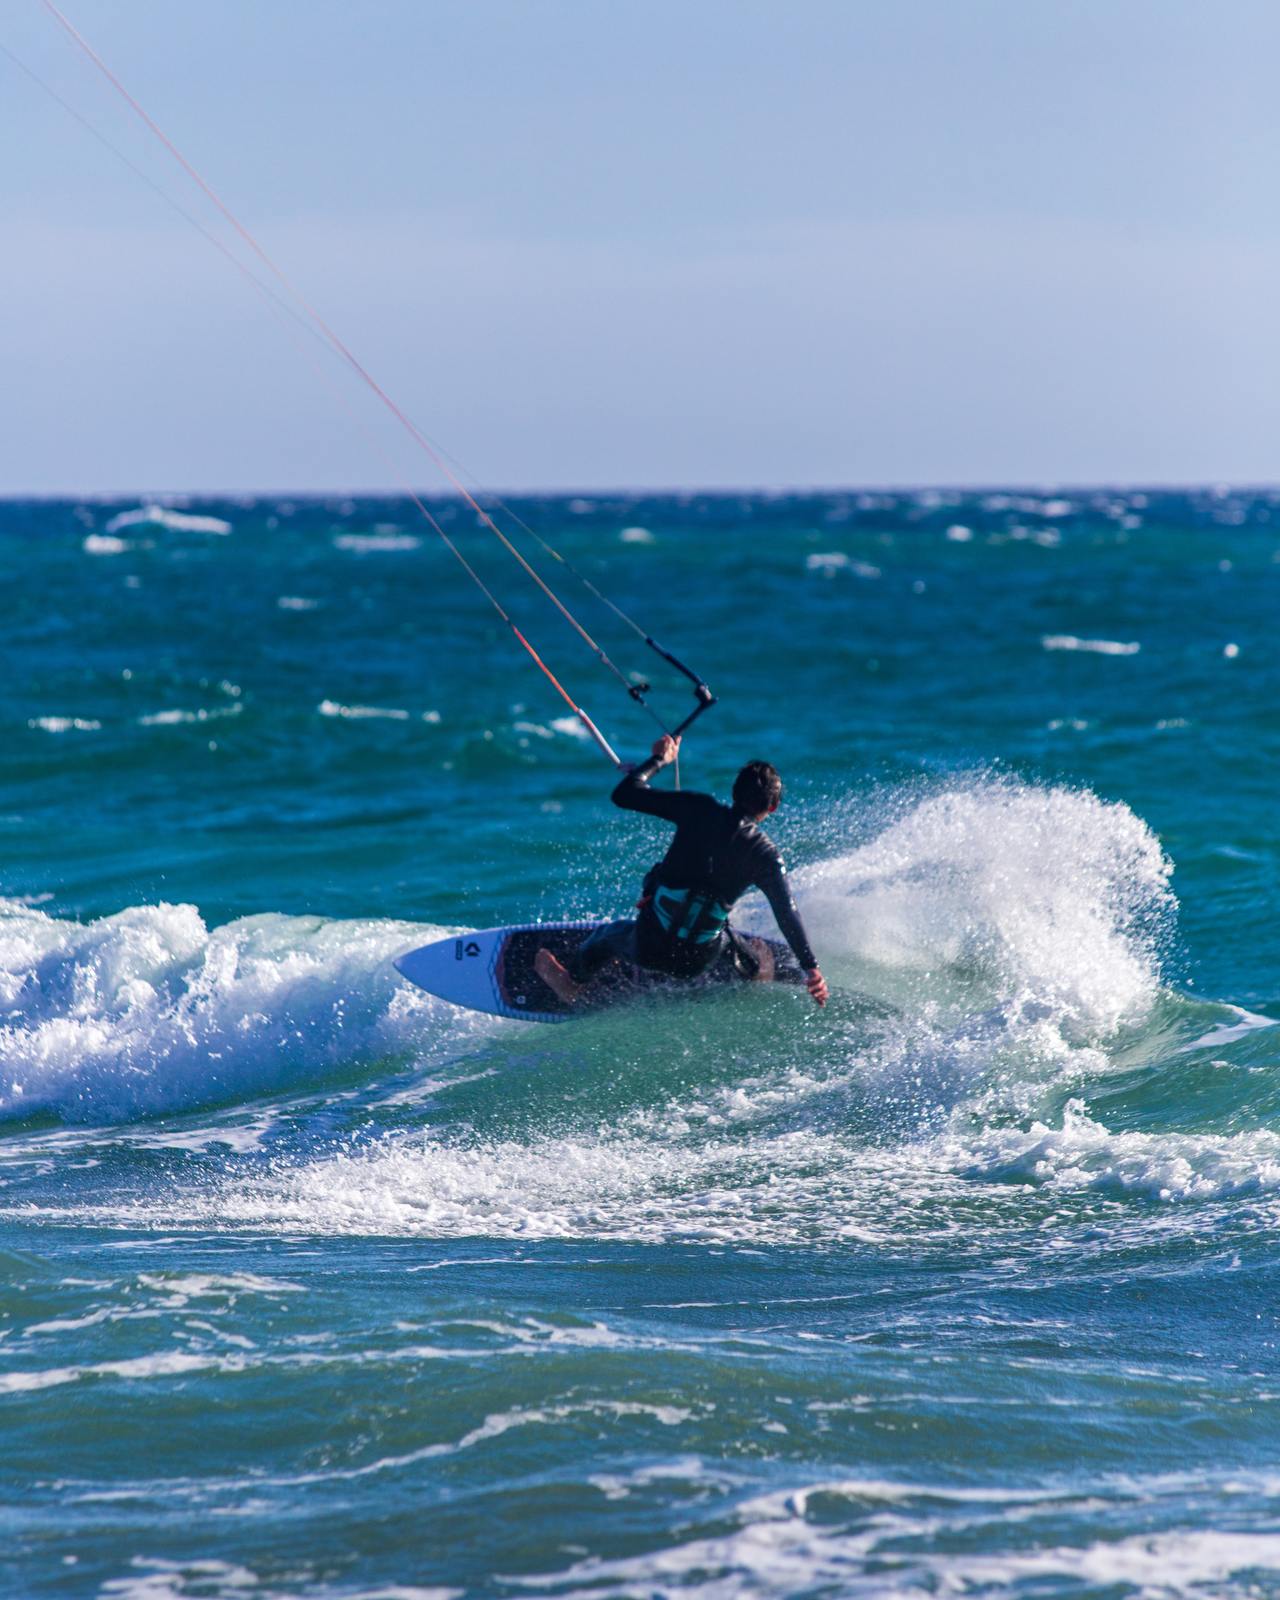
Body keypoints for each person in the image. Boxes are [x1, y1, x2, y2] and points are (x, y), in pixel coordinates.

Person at [535, 734, 828, 1008]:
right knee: (723, 933)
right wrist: (811, 968)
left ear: (734, 791)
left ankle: (571, 983)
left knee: (607, 935)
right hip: (699, 960)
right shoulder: (766, 855)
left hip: (647, 947)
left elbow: (624, 794)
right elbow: (787, 912)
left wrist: (660, 760)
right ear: (773, 807)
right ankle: (755, 971)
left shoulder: (699, 809)